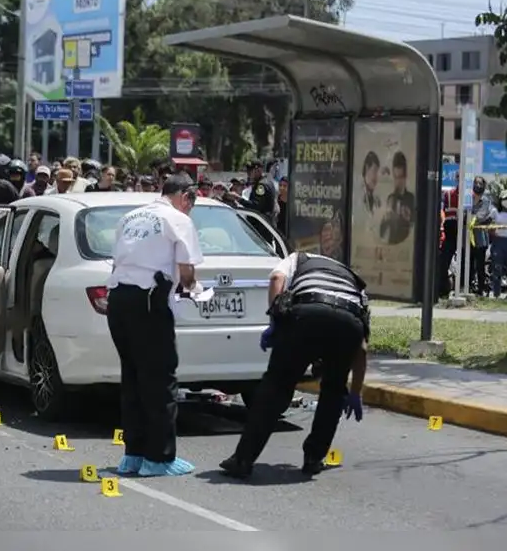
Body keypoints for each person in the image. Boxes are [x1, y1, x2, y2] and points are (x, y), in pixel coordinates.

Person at [219, 251, 370, 479]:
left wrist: (275, 322)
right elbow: (361, 348)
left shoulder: (298, 259)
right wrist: (355, 392)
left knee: (276, 385)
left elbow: (276, 280)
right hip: (349, 323)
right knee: (333, 390)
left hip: (306, 315)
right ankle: (313, 459)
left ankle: (243, 459)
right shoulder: (354, 282)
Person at [105, 173, 203, 477]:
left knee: (133, 378)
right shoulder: (177, 219)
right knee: (160, 380)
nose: (190, 211)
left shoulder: (131, 216)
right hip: (148, 301)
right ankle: (159, 459)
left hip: (118, 299)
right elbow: (186, 272)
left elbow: (117, 261)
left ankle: (132, 455)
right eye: (192, 204)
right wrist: (195, 289)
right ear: (185, 196)